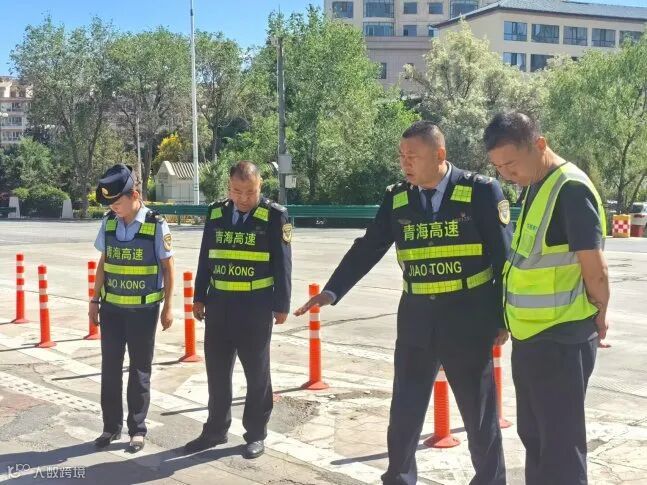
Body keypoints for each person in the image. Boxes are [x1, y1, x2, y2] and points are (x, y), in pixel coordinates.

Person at [295, 121, 511, 485]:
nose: (405, 163)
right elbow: (369, 246)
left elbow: (504, 258)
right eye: (401, 156)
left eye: (413, 156)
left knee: (479, 414)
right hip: (416, 319)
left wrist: (501, 318)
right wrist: (332, 290)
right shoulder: (397, 197)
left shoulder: (480, 191)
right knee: (405, 411)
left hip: (468, 318)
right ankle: (398, 478)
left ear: (440, 155)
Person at [484, 111, 609, 485]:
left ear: (539, 145)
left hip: (562, 338)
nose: (507, 174)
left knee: (560, 447)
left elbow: (595, 268)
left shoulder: (570, 189)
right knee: (536, 438)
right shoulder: (537, 185)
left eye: (511, 164)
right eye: (498, 167)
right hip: (533, 338)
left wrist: (601, 314)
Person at [184, 161, 292, 459]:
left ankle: (256, 434)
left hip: (255, 308)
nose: (243, 198)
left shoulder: (274, 216)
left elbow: (283, 264)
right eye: (237, 191)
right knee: (217, 373)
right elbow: (206, 257)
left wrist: (281, 304)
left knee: (257, 375)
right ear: (228, 188)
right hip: (219, 305)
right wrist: (199, 296)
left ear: (260, 187)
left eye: (250, 192)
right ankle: (215, 430)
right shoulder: (216, 213)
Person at [89, 163, 174, 453]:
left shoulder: (155, 224)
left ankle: (137, 430)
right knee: (110, 369)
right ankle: (110, 427)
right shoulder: (109, 222)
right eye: (110, 204)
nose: (113, 208)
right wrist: (94, 300)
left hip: (143, 312)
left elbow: (168, 267)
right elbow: (103, 264)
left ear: (134, 195)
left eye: (117, 203)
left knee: (139, 371)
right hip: (111, 309)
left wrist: (168, 307)